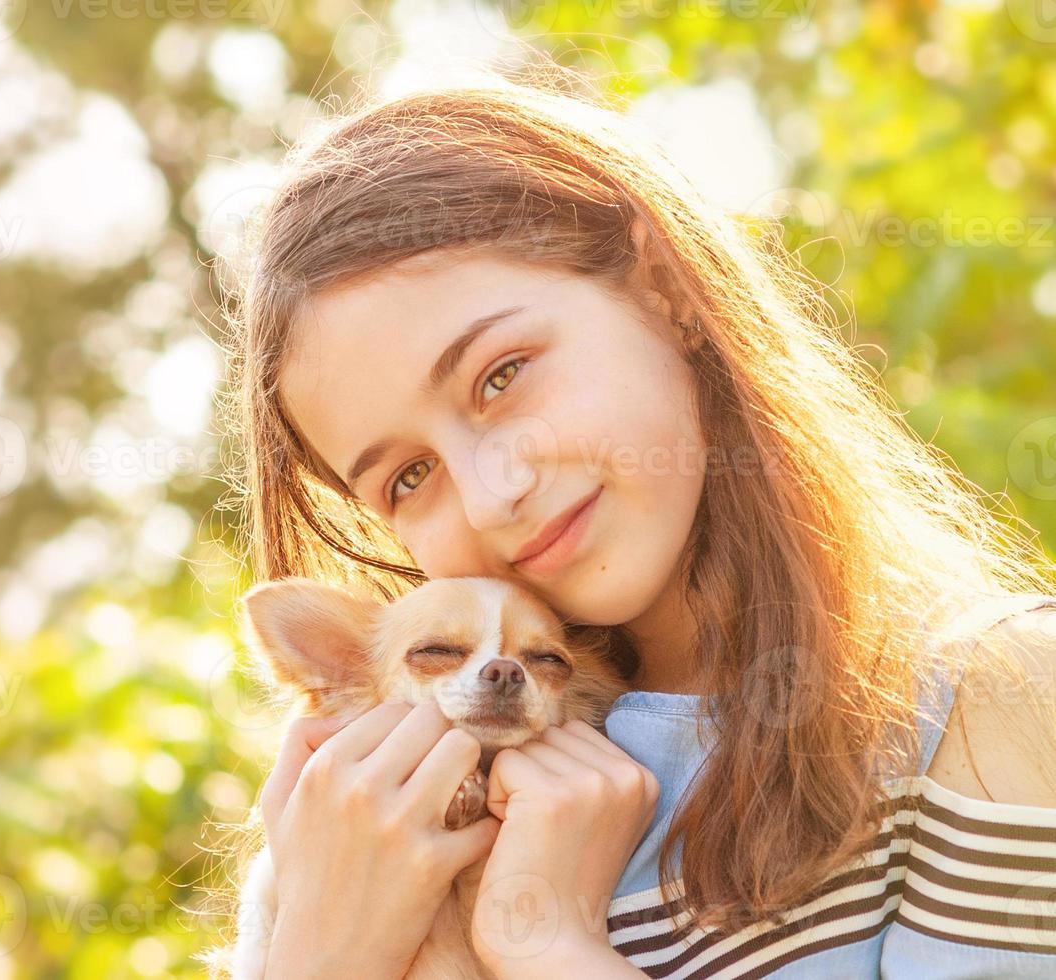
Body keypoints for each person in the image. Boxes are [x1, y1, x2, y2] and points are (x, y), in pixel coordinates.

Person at [205, 75, 1056, 978]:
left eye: (501, 375)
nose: (494, 494)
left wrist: (547, 946)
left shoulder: (989, 697)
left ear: (662, 287)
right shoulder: (406, 802)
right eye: (410, 476)